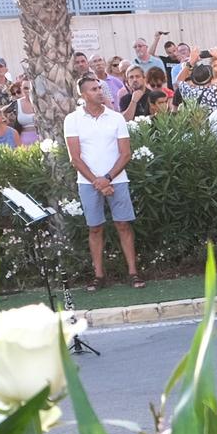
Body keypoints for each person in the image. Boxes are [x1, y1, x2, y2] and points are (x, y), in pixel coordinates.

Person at [64, 77, 143, 292]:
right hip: (88, 183)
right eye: (93, 89)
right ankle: (99, 276)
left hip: (116, 179)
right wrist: (98, 183)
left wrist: (107, 179)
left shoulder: (116, 118)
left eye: (100, 88)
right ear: (82, 94)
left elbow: (126, 153)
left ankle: (133, 273)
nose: (99, 92)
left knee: (123, 225)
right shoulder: (72, 120)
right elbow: (75, 158)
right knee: (95, 228)